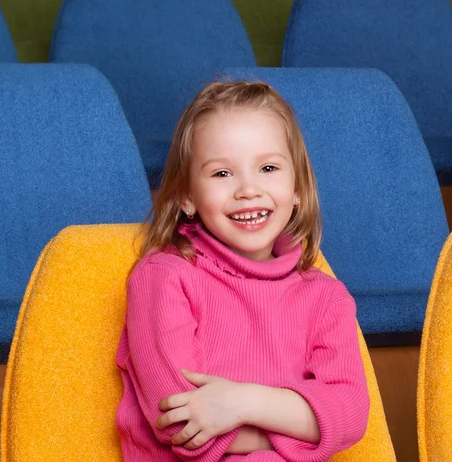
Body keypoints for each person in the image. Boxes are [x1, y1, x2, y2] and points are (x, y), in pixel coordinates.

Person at [116, 80, 370, 461]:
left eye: (268, 167)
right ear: (186, 196)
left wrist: (244, 403)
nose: (248, 189)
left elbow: (350, 416)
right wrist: (311, 426)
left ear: (298, 186)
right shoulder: (164, 278)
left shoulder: (326, 296)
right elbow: (185, 426)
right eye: (222, 174)